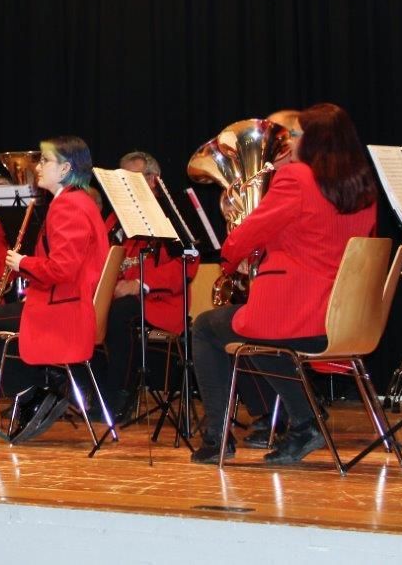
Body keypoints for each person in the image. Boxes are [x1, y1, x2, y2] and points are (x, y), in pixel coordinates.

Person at [189, 103, 378, 465]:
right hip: (342, 319)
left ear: (315, 139)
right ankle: (305, 424)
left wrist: (231, 260)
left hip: (296, 314)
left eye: (294, 135)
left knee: (205, 327)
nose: (289, 141)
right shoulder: (364, 190)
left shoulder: (296, 178)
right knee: (263, 340)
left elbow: (245, 236)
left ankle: (217, 437)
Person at [0, 136, 109, 443]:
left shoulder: (68, 206)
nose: (37, 167)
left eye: (45, 160)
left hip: (63, 309)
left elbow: (62, 269)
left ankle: (30, 392)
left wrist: (23, 263)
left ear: (65, 168)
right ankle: (42, 384)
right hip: (67, 302)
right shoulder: (79, 201)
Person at [98, 151, 196, 421]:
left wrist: (140, 283)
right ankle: (90, 390)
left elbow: (186, 267)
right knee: (86, 309)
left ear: (153, 180)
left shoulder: (171, 216)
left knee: (118, 314)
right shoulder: (115, 219)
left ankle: (120, 393)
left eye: (132, 180)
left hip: (161, 302)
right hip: (122, 296)